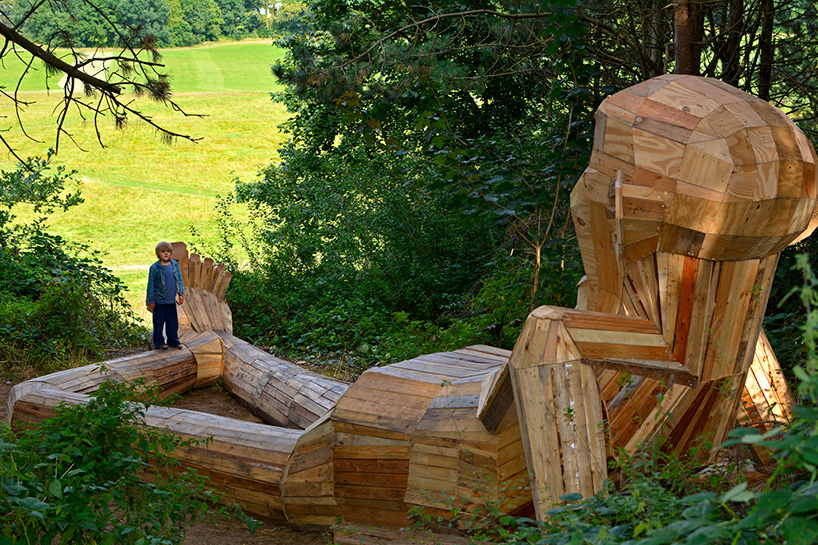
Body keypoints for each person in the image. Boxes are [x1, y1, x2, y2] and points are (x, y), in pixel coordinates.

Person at [146, 241, 185, 349]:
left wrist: (180, 294)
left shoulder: (174, 265)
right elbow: (151, 284)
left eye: (168, 251)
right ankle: (159, 343)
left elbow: (179, 280)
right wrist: (151, 300)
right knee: (158, 324)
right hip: (159, 301)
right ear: (158, 254)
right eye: (163, 252)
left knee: (173, 323)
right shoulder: (154, 268)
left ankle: (173, 341)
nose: (166, 254)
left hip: (171, 301)